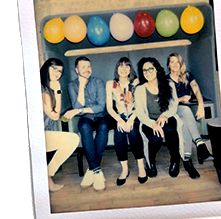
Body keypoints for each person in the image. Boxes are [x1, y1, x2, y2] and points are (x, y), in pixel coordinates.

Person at [135, 57, 184, 178]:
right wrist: (152, 124)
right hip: (149, 121)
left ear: (157, 69)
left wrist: (164, 115)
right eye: (144, 70)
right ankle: (150, 162)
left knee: (171, 130)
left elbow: (174, 106)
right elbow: (140, 113)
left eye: (150, 69)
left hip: (167, 118)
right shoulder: (140, 89)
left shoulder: (169, 84)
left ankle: (175, 160)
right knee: (156, 139)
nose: (147, 73)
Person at [68, 56, 108, 192]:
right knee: (84, 127)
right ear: (76, 70)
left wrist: (79, 110)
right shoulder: (72, 85)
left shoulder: (98, 82)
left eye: (89, 66)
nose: (87, 69)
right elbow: (77, 105)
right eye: (83, 67)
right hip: (86, 118)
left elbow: (101, 107)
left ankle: (91, 169)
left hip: (100, 116)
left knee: (103, 126)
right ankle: (97, 171)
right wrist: (81, 86)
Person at [106, 57, 147, 185]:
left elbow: (140, 105)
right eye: (121, 66)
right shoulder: (110, 84)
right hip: (119, 116)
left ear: (130, 69)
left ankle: (141, 166)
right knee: (119, 135)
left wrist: (131, 120)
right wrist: (119, 120)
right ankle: (124, 169)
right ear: (117, 68)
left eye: (127, 66)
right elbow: (109, 107)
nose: (124, 69)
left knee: (134, 131)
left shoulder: (137, 82)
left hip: (136, 114)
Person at [40, 58, 80, 192]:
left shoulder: (48, 88)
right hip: (38, 136)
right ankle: (47, 176)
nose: (58, 73)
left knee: (71, 140)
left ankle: (48, 177)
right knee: (73, 139)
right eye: (55, 69)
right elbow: (55, 115)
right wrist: (58, 90)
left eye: (60, 71)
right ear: (47, 68)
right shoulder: (42, 89)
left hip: (45, 134)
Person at [167, 53, 212, 167]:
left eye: (177, 61)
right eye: (172, 62)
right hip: (171, 111)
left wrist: (201, 104)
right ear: (168, 65)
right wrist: (180, 99)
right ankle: (200, 145)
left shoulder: (187, 75)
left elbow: (196, 88)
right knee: (186, 111)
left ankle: (187, 158)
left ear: (181, 63)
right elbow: (166, 102)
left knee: (185, 123)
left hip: (184, 111)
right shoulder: (166, 80)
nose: (175, 64)